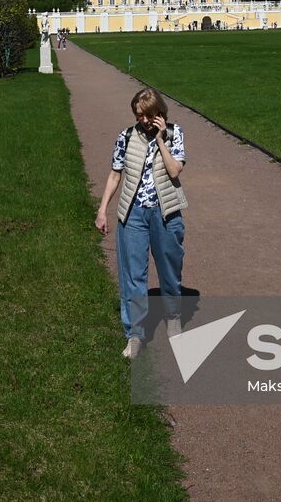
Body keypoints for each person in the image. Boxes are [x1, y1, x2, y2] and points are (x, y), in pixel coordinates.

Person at [94, 87, 187, 359]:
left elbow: (174, 170)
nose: (143, 121)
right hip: (132, 214)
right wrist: (103, 210)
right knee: (133, 276)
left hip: (166, 213)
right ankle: (134, 334)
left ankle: (173, 315)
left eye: (147, 115)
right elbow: (115, 175)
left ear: (159, 113)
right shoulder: (125, 137)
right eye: (138, 116)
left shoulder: (175, 133)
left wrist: (160, 140)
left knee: (170, 271)